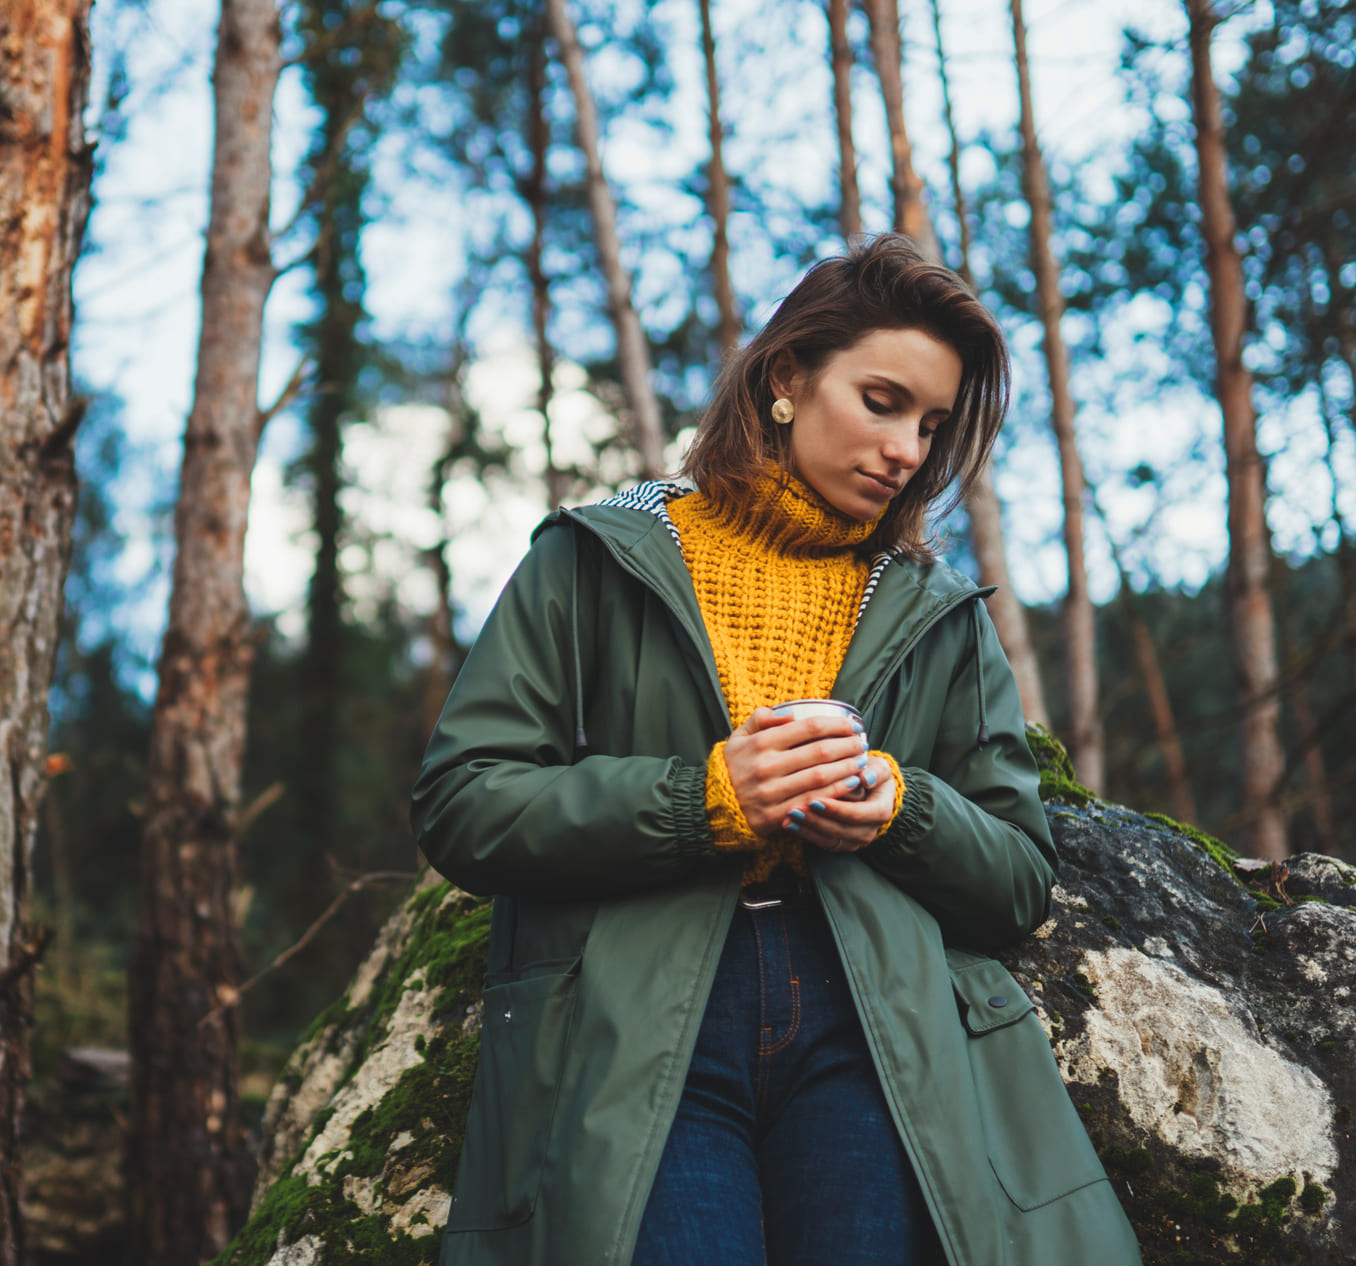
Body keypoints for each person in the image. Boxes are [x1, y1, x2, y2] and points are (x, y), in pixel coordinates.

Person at [413, 234, 1140, 1266]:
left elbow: (1016, 880)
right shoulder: (594, 556)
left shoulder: (941, 612)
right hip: (641, 1019)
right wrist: (702, 798)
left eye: (930, 426)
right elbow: (463, 802)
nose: (905, 451)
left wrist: (899, 806)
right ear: (787, 378)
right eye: (881, 402)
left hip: (869, 1033)